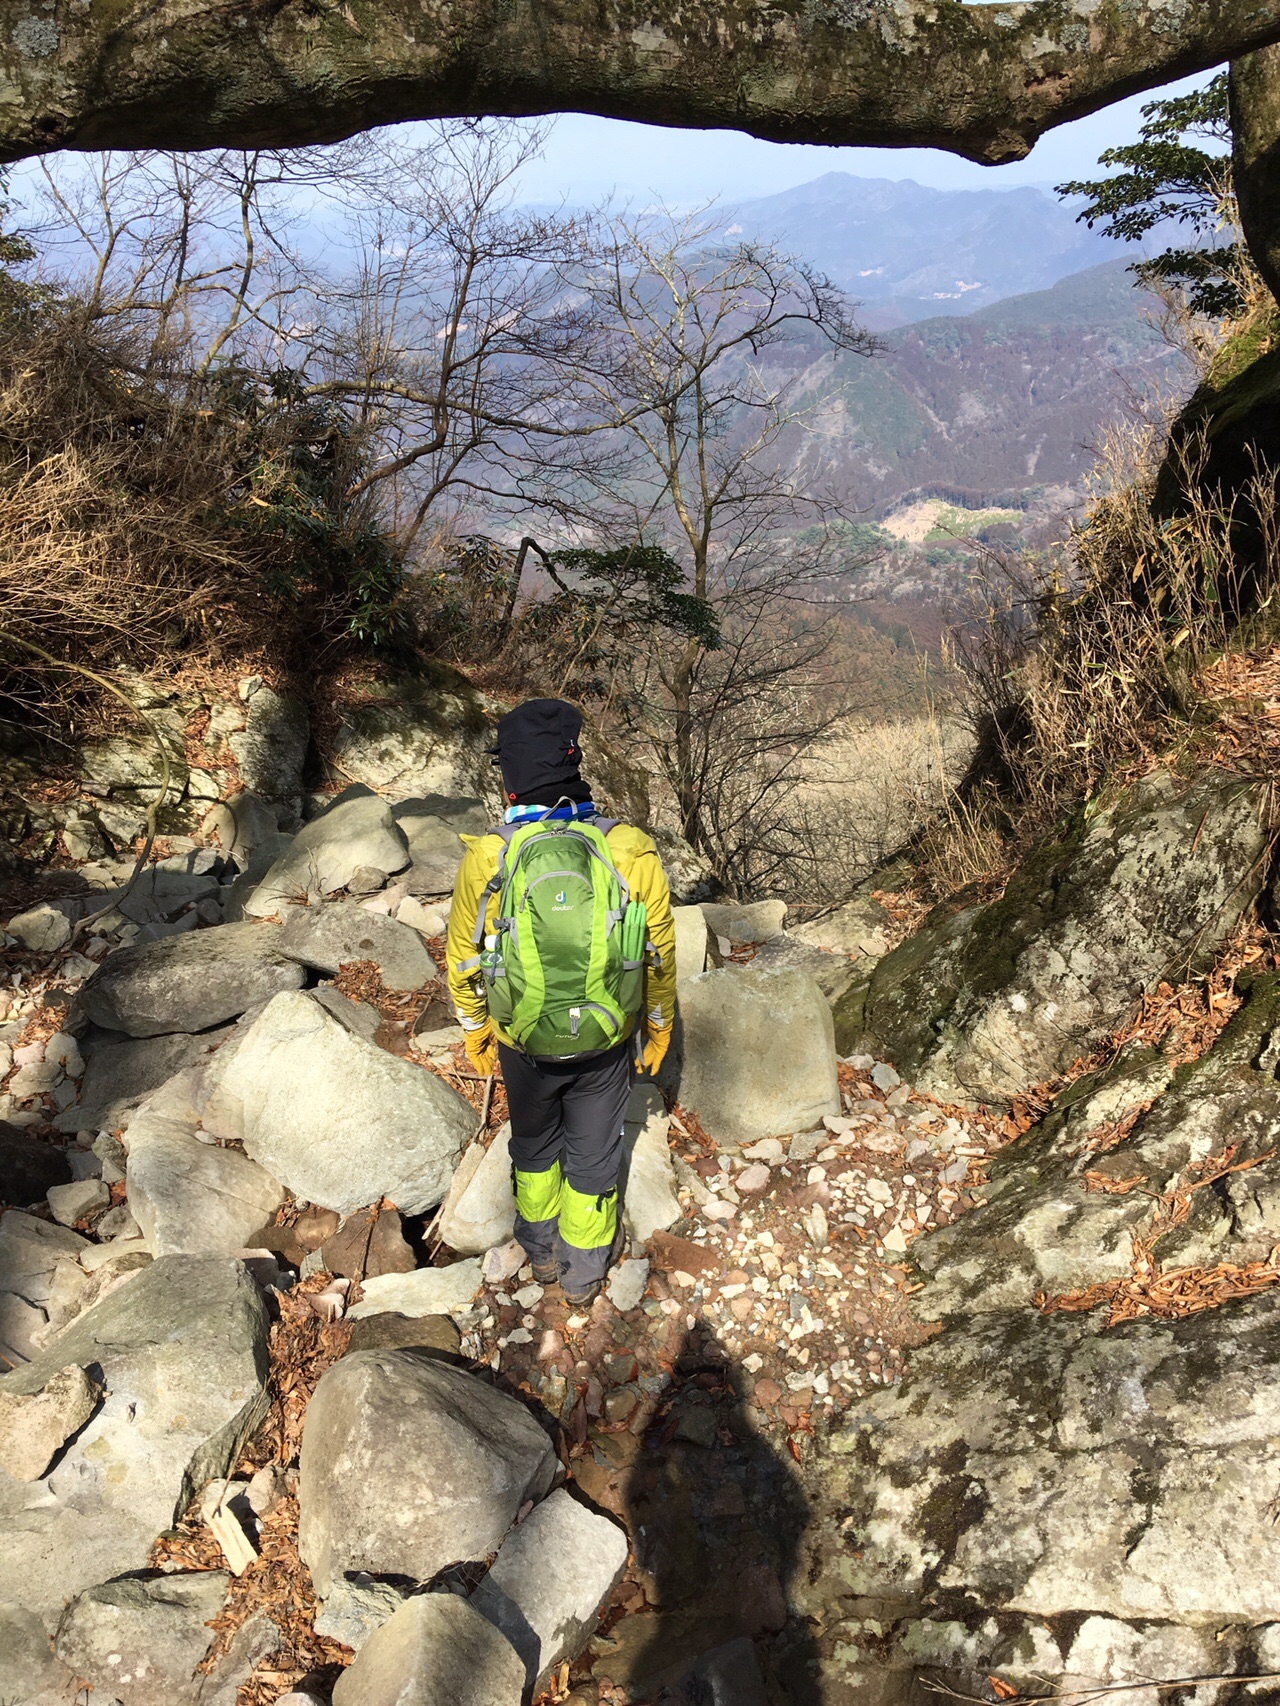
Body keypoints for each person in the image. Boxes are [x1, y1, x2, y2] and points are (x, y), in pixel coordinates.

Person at [446, 698, 677, 1306]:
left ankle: (541, 1253)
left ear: (512, 774)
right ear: (575, 764)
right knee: (595, 1158)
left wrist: (477, 1036)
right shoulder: (627, 848)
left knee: (534, 1145)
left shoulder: (489, 857)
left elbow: (463, 961)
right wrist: (657, 1029)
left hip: (523, 1042)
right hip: (605, 1039)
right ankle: (583, 1278)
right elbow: (658, 954)